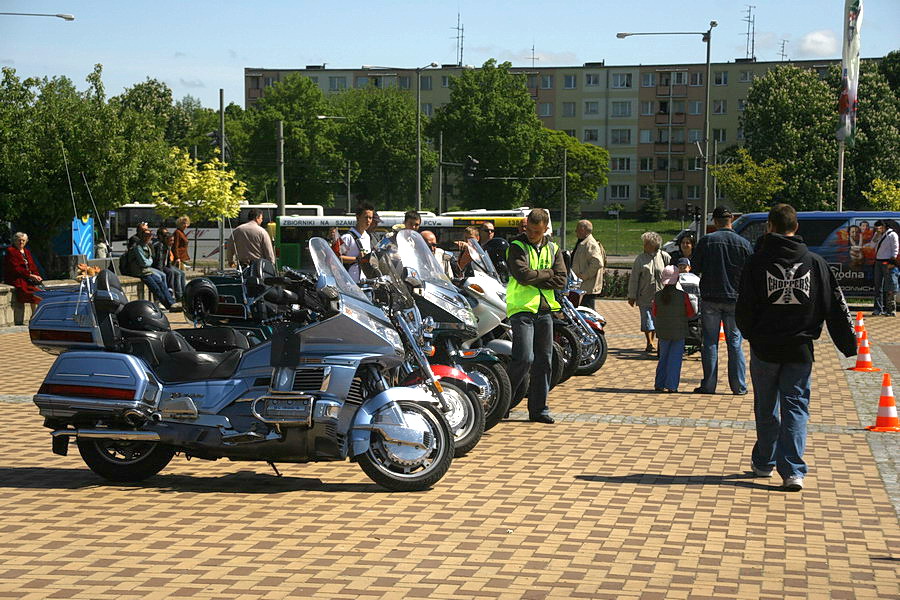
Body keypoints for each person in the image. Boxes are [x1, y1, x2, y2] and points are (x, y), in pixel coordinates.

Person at [736, 204, 857, 491]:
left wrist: (752, 334)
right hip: (800, 348)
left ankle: (764, 462)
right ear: (796, 227)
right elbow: (836, 307)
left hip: (765, 348)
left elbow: (743, 307)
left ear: (769, 226)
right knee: (796, 407)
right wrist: (847, 343)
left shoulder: (756, 263)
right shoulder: (815, 263)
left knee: (766, 407)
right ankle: (792, 471)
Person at [506, 208, 567, 424]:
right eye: (529, 230)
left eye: (536, 232)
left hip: (545, 311)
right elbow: (522, 276)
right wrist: (549, 273)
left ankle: (539, 410)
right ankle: (503, 403)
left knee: (545, 362)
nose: (531, 235)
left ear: (545, 229)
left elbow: (561, 280)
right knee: (524, 358)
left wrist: (539, 276)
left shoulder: (553, 248)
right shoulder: (516, 246)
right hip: (522, 309)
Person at [691, 206, 752, 395]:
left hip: (710, 297)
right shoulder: (743, 243)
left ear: (715, 222)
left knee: (710, 342)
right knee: (735, 343)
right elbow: (751, 272)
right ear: (731, 219)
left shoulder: (707, 241)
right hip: (735, 298)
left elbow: (695, 268)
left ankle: (709, 385)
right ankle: (739, 386)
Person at [652, 265, 696, 393]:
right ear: (677, 279)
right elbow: (690, 313)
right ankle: (672, 385)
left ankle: (659, 383)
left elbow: (654, 313)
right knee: (675, 359)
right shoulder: (683, 296)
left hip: (663, 331)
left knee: (663, 358)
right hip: (679, 331)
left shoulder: (658, 295)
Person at [627, 231, 670, 353]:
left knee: (658, 320)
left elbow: (671, 273)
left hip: (661, 296)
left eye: (646, 243)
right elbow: (634, 278)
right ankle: (649, 342)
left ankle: (656, 342)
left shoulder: (664, 256)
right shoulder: (640, 259)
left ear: (653, 244)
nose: (644, 245)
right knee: (647, 321)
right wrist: (631, 296)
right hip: (644, 295)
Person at [126, 229, 176, 310]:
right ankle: (168, 305)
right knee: (155, 288)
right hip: (141, 272)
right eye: (146, 236)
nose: (147, 238)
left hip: (147, 271)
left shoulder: (146, 246)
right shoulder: (138, 247)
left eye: (149, 236)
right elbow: (144, 263)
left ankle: (172, 303)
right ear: (142, 236)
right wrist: (149, 261)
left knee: (162, 284)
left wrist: (149, 261)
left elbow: (150, 260)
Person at [571, 219, 606, 311]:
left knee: (587, 312)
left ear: (583, 230)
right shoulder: (584, 242)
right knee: (583, 311)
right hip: (583, 287)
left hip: (588, 287)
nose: (575, 231)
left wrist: (583, 276)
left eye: (577, 229)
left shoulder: (590, 244)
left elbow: (597, 263)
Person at [3, 232, 44, 307]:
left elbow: (33, 266)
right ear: (14, 241)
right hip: (18, 280)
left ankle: (35, 315)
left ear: (26, 241)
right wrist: (30, 275)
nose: (21, 242)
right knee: (32, 295)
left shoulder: (27, 252)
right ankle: (35, 317)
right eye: (19, 240)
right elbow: (16, 268)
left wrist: (37, 275)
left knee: (42, 294)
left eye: (23, 240)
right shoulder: (11, 251)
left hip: (28, 280)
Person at [340, 203, 375, 283]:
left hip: (366, 282)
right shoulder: (347, 237)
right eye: (366, 217)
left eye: (370, 218)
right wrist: (357, 259)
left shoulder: (367, 236)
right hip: (350, 283)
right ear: (358, 217)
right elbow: (337, 258)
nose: (368, 221)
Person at [871, 219, 898, 317]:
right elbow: (871, 245)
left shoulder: (892, 235)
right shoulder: (877, 234)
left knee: (890, 286)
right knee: (878, 286)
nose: (878, 229)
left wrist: (892, 262)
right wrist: (877, 235)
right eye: (876, 228)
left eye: (879, 227)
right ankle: (878, 309)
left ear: (884, 226)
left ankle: (890, 310)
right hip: (878, 261)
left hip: (888, 261)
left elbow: (895, 249)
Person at [152, 228, 186, 301]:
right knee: (172, 273)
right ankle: (177, 295)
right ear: (165, 239)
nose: (172, 242)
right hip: (159, 267)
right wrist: (162, 271)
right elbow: (159, 261)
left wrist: (170, 267)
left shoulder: (167, 246)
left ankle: (184, 294)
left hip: (165, 265)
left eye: (173, 240)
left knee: (181, 273)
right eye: (171, 240)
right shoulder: (160, 246)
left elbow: (168, 261)